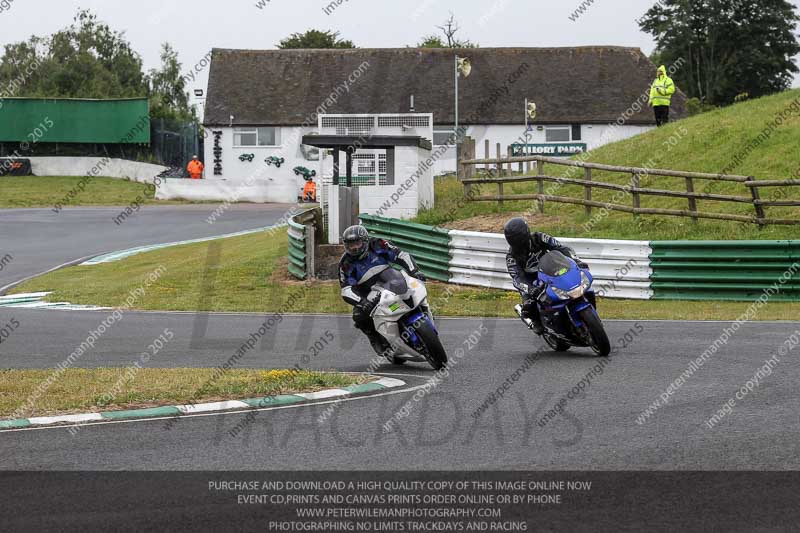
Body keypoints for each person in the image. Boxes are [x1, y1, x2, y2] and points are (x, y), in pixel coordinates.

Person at [339, 225, 425, 355]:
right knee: (359, 316)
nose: (355, 248)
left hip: (389, 278)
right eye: (351, 245)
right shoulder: (345, 264)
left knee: (412, 287)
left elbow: (401, 255)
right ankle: (375, 338)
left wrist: (415, 271)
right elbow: (346, 290)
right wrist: (362, 302)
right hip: (366, 292)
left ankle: (423, 308)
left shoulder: (378, 244)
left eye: (357, 243)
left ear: (365, 241)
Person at [504, 217, 588, 335]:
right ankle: (535, 321)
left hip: (551, 269)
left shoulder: (539, 238)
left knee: (572, 281)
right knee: (529, 305)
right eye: (513, 239)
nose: (518, 242)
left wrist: (576, 260)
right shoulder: (511, 257)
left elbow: (561, 248)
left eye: (518, 238)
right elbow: (517, 278)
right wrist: (531, 289)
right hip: (531, 281)